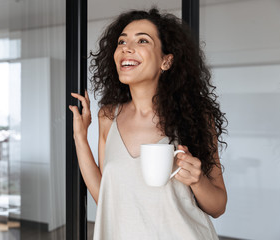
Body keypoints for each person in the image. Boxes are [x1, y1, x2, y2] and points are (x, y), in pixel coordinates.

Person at [69, 8, 228, 240]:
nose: (126, 47)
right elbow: (105, 197)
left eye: (142, 40)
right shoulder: (107, 117)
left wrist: (197, 180)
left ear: (166, 61)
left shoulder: (196, 117)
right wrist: (80, 138)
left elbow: (218, 206)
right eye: (122, 41)